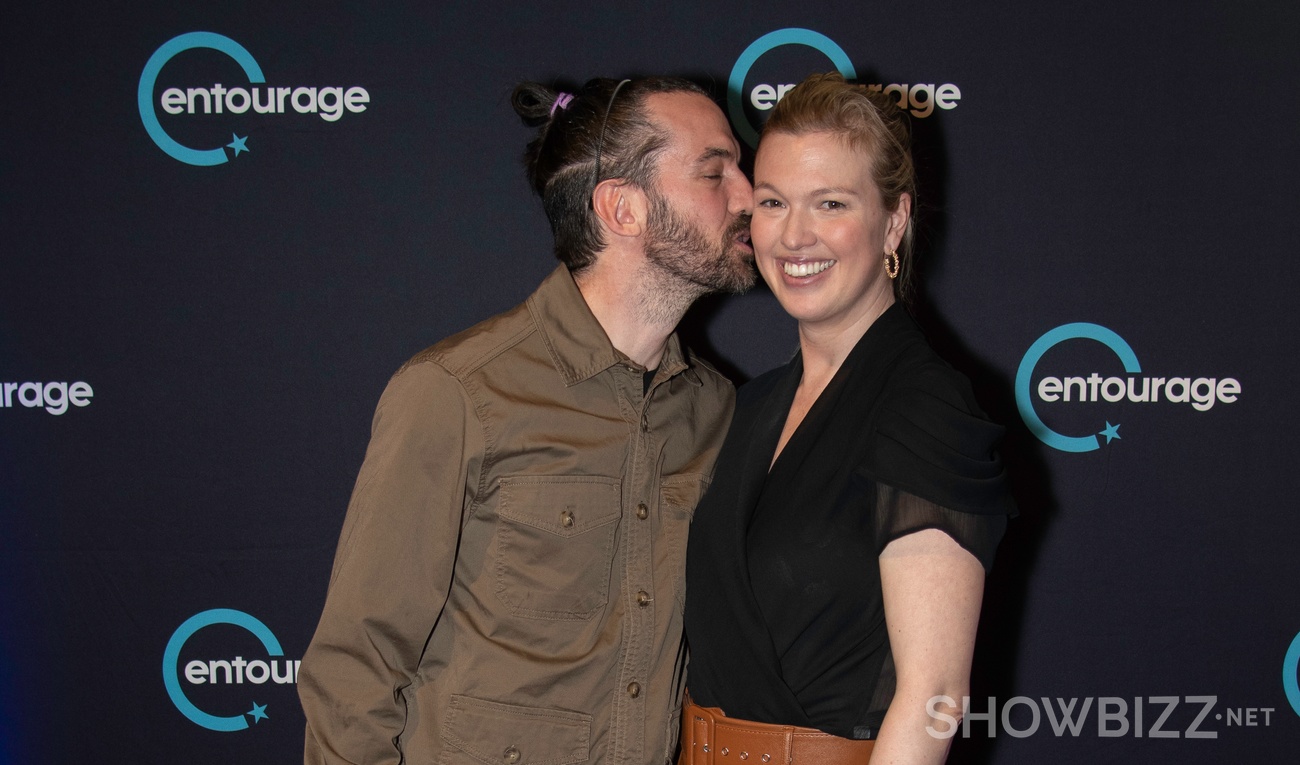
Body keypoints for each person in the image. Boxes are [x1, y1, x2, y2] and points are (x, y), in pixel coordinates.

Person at [299, 76, 756, 765]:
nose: (750, 196)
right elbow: (355, 666)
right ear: (622, 207)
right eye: (716, 171)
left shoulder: (715, 409)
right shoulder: (457, 391)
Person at [681, 72, 1015, 764]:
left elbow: (936, 694)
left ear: (894, 220)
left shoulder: (925, 407)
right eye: (773, 202)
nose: (794, 235)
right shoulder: (750, 405)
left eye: (830, 202)